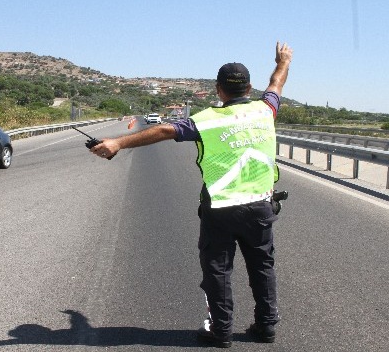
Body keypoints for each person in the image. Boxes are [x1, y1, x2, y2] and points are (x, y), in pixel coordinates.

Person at [89, 42, 293, 348]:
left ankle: (221, 331)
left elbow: (164, 131)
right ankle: (266, 328)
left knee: (219, 271)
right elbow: (277, 82)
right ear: (249, 88)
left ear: (218, 90)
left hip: (221, 210)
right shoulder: (266, 110)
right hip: (261, 205)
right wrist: (283, 61)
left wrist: (118, 144)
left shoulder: (206, 120)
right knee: (262, 267)